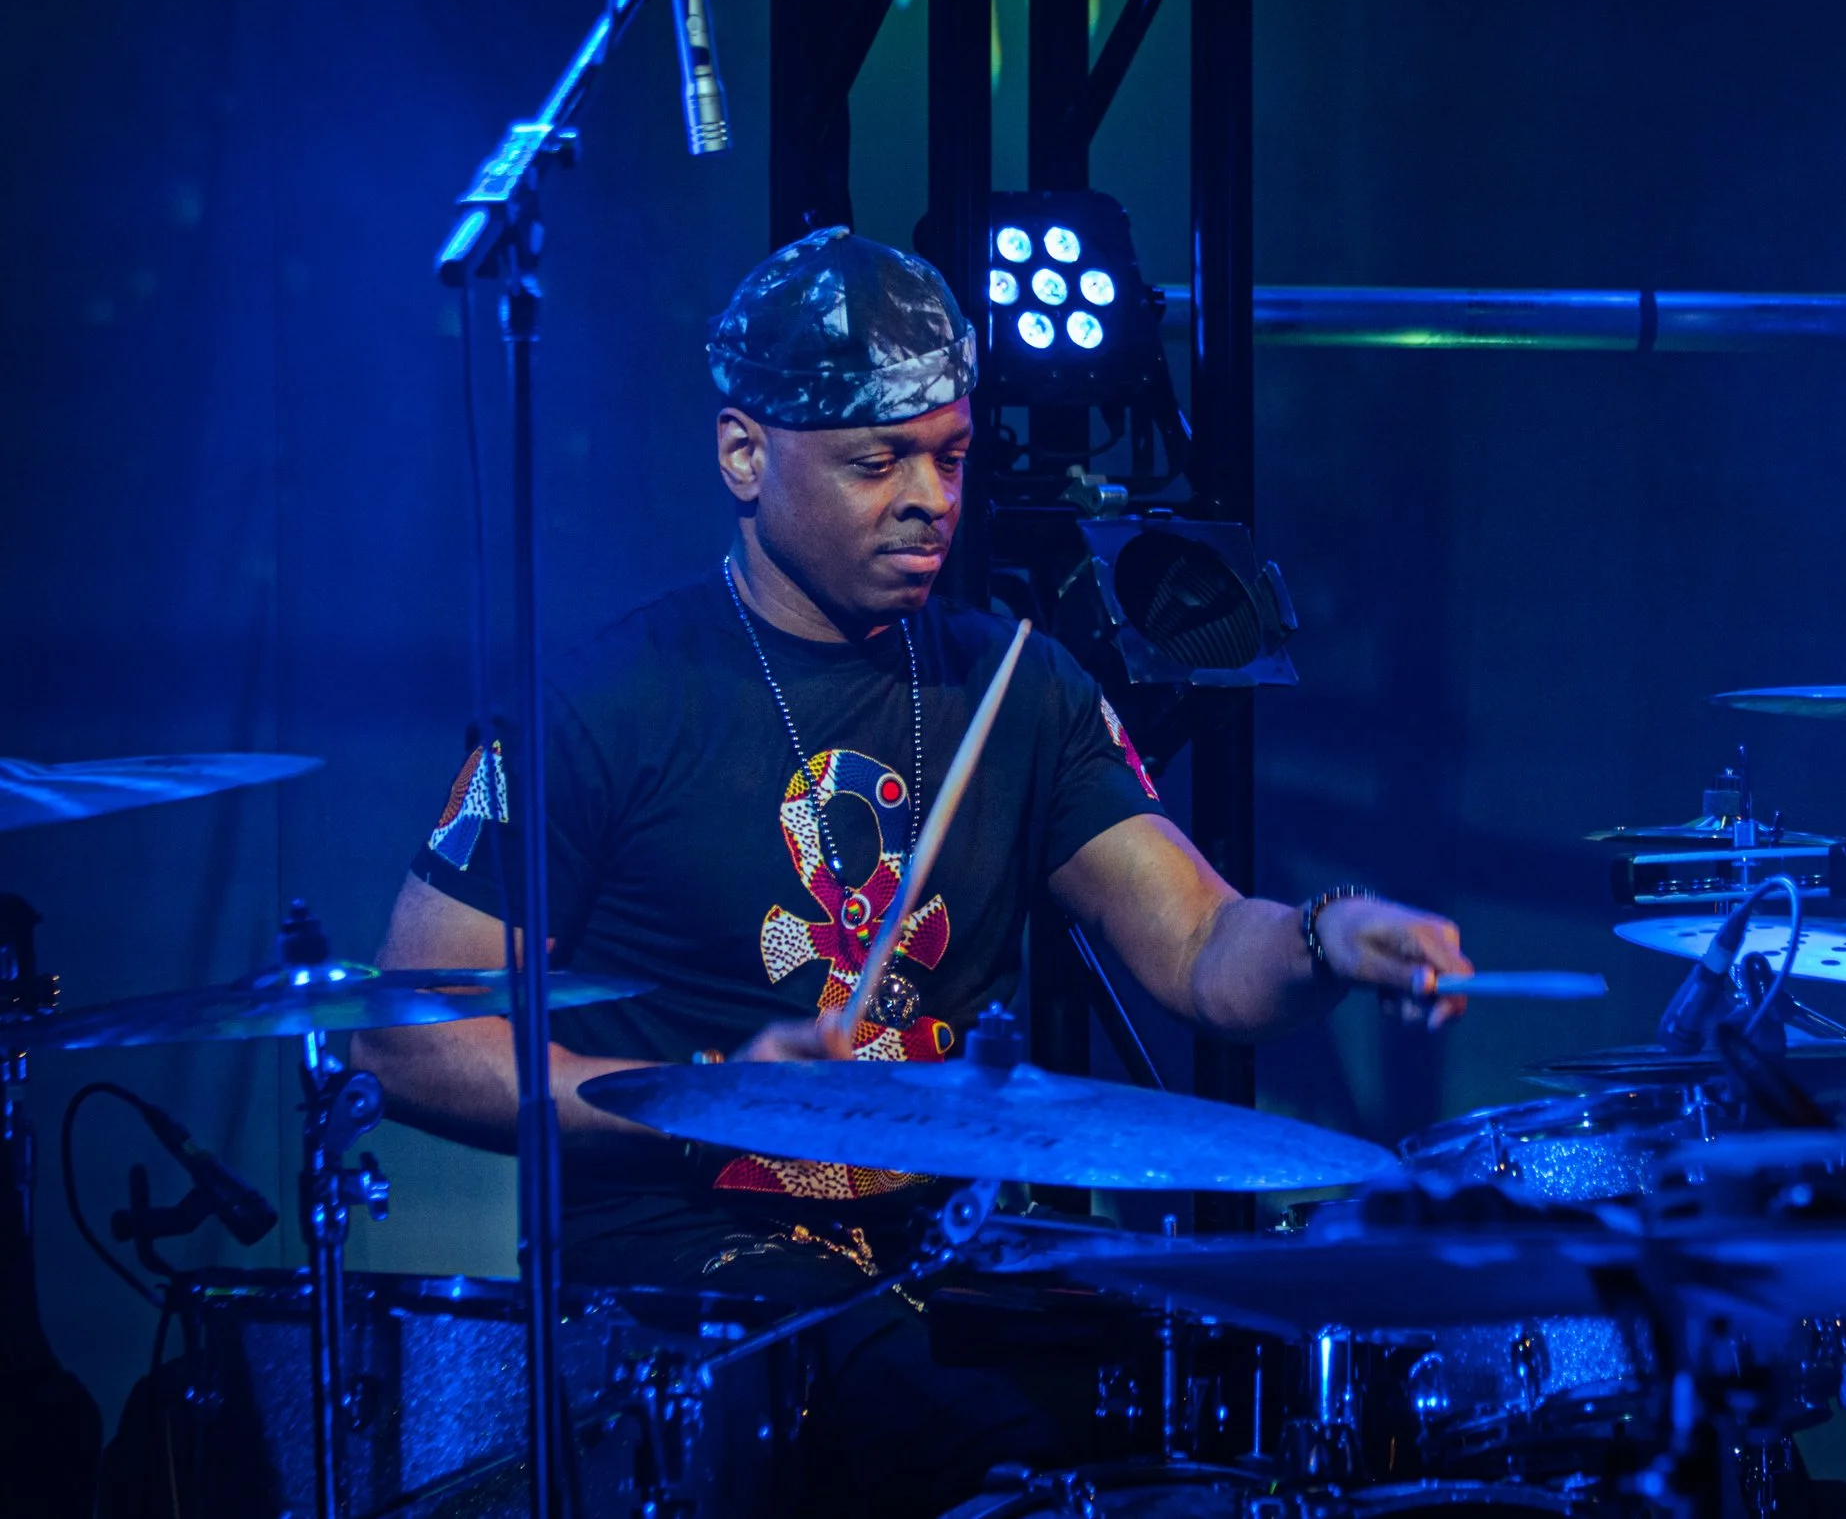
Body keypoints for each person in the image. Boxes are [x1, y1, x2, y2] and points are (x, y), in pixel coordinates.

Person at [351, 226, 1472, 1513]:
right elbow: (409, 1037)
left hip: (939, 1258)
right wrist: (708, 1098)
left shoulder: (1018, 684)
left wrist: (1328, 933)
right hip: (686, 1284)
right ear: (744, 453)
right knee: (968, 1433)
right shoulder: (602, 704)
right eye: (876, 461)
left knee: (1219, 1403)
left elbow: (1202, 947)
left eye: (950, 453)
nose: (931, 497)